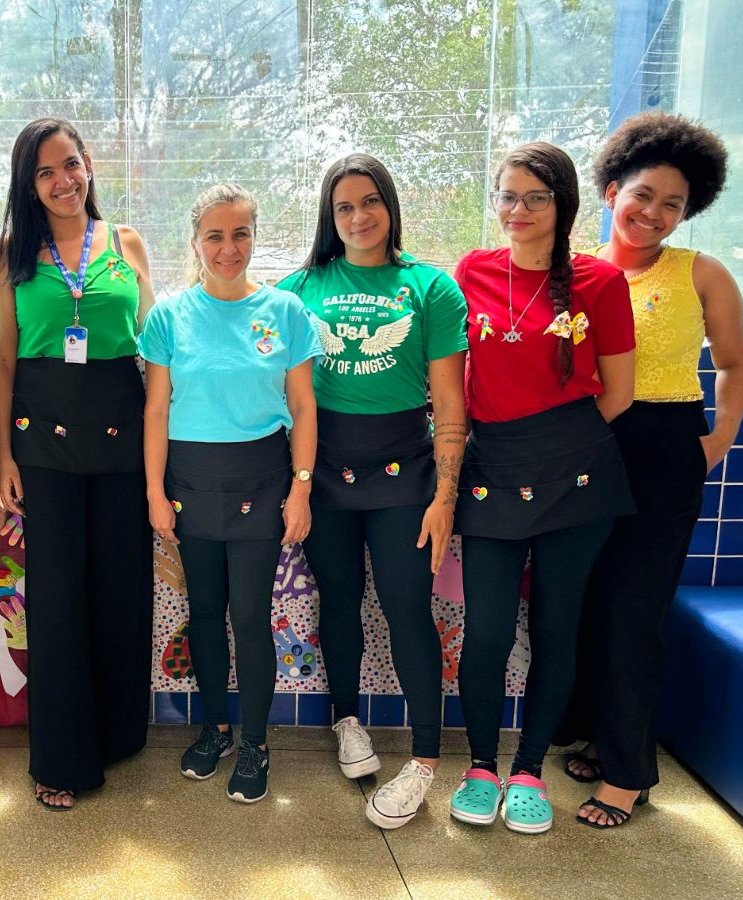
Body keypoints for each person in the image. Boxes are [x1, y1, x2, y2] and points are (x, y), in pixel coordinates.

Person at [557, 113, 743, 829]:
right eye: (643, 195)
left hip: (667, 446)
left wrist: (717, 439)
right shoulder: (575, 271)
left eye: (674, 204)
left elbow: (734, 365)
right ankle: (597, 739)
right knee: (584, 603)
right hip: (586, 447)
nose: (654, 213)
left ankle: (628, 777)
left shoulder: (701, 273)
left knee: (633, 612)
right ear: (612, 191)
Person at [275, 153, 469, 829]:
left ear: (390, 205)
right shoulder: (298, 289)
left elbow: (450, 404)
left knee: (407, 606)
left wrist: (444, 498)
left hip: (405, 475)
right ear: (329, 218)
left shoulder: (431, 288)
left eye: (370, 202)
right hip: (322, 472)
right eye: (344, 207)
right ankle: (346, 722)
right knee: (338, 601)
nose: (359, 217)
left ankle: (424, 760)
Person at [449, 142, 637, 834]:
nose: (518, 209)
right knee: (487, 632)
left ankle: (529, 771)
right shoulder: (470, 270)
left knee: (558, 628)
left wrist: (558, 445)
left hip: (577, 476)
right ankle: (480, 768)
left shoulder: (601, 282)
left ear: (564, 204)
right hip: (491, 469)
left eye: (535, 197)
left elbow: (619, 392)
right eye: (507, 195)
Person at [0, 117, 156, 810]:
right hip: (43, 442)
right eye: (45, 172)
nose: (63, 181)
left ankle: (117, 734)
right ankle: (61, 758)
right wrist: (1, 458)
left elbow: (156, 346)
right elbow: (3, 360)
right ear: (28, 185)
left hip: (122, 434)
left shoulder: (125, 242)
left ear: (88, 165)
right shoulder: (12, 255)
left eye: (70, 164)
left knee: (120, 588)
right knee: (57, 599)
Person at [141, 183, 322, 805]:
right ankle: (215, 729)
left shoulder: (286, 312)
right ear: (195, 242)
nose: (228, 248)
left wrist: (301, 490)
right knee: (204, 615)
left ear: (254, 237)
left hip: (263, 482)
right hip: (189, 485)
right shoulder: (168, 317)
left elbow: (303, 406)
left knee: (248, 617)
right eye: (214, 236)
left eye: (240, 233)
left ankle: (255, 743)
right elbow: (156, 410)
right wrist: (154, 493)